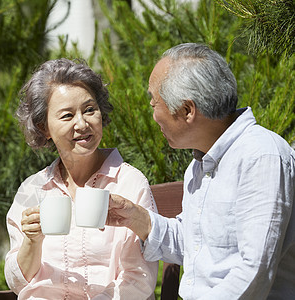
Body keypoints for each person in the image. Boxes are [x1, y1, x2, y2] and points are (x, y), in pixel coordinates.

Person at [107, 43, 295, 299]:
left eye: (154, 103)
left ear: (187, 110)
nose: (152, 115)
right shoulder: (201, 163)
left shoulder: (261, 156)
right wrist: (137, 219)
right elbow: (195, 243)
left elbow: (254, 269)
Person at [4, 58, 158, 299]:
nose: (82, 124)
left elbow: (138, 279)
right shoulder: (33, 189)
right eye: (67, 116)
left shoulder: (129, 183)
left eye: (89, 110)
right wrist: (32, 243)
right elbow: (16, 282)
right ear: (44, 127)